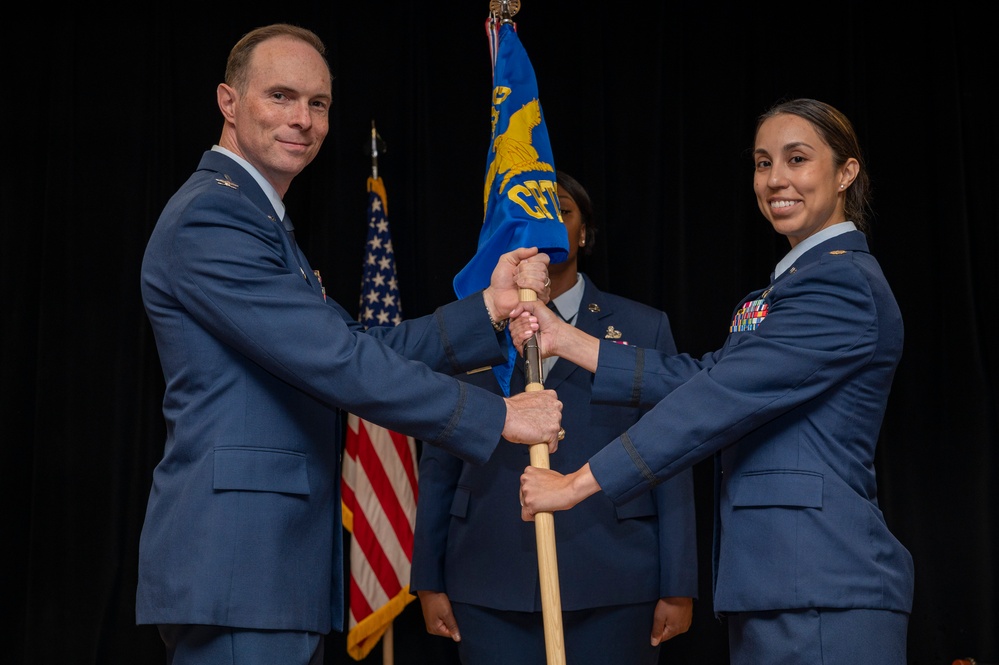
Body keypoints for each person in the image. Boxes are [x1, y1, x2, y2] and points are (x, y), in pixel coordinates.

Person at [137, 23, 564, 665]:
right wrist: (498, 416)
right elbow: (338, 361)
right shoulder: (213, 216)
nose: (302, 119)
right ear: (229, 103)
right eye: (280, 96)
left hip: (266, 565)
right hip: (240, 560)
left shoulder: (258, 221)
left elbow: (350, 341)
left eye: (318, 103)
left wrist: (488, 310)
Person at [514, 99, 914, 664]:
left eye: (797, 159)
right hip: (776, 584)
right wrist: (567, 340)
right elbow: (706, 376)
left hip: (825, 587)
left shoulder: (841, 284)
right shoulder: (787, 289)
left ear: (846, 172)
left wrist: (576, 484)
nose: (776, 179)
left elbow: (717, 400)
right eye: (762, 162)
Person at [410, 171, 697, 665]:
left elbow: (672, 453)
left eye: (560, 210)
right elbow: (441, 454)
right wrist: (428, 577)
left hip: (614, 574)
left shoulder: (642, 326)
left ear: (584, 231)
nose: (543, 222)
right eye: (526, 211)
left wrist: (678, 584)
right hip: (488, 574)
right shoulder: (470, 326)